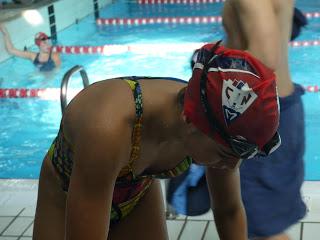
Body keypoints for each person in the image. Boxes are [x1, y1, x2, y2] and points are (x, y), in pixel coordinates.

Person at [32, 42, 281, 240]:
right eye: (227, 155)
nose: (233, 165)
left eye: (242, 156)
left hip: (137, 192)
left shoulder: (219, 129)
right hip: (64, 195)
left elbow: (228, 212)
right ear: (190, 121)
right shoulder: (108, 128)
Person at [222, 1, 307, 239]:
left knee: (260, 227)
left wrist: (214, 76)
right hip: (278, 108)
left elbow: (266, 56)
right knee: (261, 225)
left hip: (261, 116)